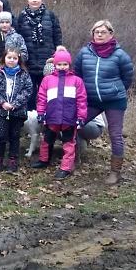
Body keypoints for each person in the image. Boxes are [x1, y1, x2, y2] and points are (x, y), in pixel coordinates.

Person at [74, 20, 134, 185]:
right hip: (92, 100)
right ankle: (71, 159)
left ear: (110, 34)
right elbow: (77, 74)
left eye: (103, 32)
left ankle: (115, 172)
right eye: (96, 32)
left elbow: (127, 77)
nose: (99, 34)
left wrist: (115, 89)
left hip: (115, 100)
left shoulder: (120, 55)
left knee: (115, 135)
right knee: (73, 124)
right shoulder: (85, 52)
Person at [31, 48, 87, 179]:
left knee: (68, 143)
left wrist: (81, 117)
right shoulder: (47, 80)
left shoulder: (77, 81)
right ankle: (43, 160)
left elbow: (82, 100)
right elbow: (41, 98)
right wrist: (41, 112)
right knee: (47, 139)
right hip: (52, 116)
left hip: (69, 117)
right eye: (59, 64)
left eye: (65, 64)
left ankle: (66, 167)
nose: (62, 67)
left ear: (69, 65)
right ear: (54, 65)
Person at [0, 48, 33, 173]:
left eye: (14, 58)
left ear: (18, 60)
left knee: (14, 136)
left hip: (17, 111)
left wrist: (15, 103)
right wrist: (2, 102)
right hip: (1, 111)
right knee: (0, 135)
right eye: (9, 57)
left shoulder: (24, 74)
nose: (11, 60)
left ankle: (13, 160)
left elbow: (28, 90)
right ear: (4, 58)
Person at [16, 0, 62, 110]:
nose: (34, 0)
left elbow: (57, 35)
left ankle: (48, 122)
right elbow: (18, 37)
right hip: (28, 61)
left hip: (47, 61)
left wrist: (57, 52)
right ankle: (30, 121)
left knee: (47, 92)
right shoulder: (21, 17)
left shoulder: (50, 15)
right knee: (30, 93)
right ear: (27, 0)